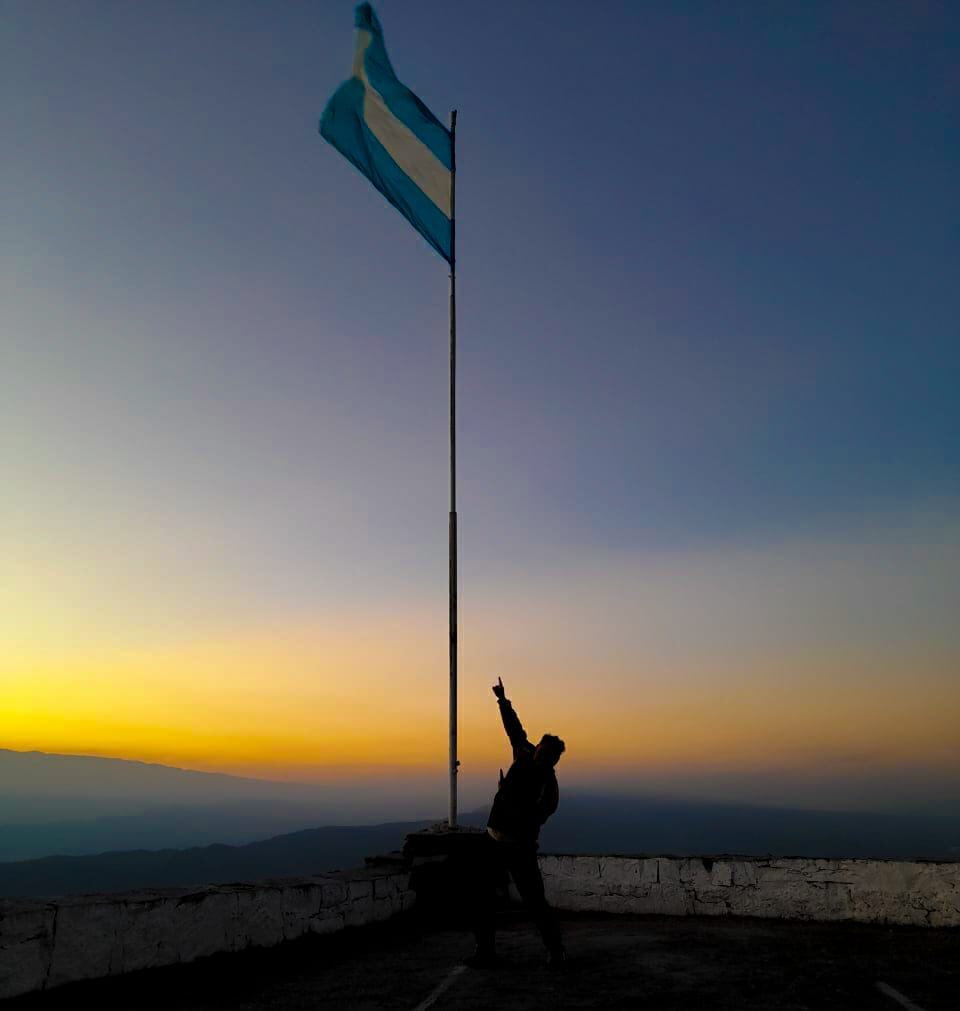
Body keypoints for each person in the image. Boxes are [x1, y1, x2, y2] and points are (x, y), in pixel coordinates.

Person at [464, 676, 566, 969]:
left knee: (534, 901)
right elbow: (514, 728)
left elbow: (540, 815)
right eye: (542, 750)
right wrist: (502, 700)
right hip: (493, 841)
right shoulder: (523, 752)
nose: (542, 755)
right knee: (482, 899)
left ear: (553, 760)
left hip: (519, 848)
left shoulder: (548, 785)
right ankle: (485, 952)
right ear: (538, 748)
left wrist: (509, 804)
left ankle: (556, 950)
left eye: (548, 755)